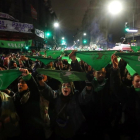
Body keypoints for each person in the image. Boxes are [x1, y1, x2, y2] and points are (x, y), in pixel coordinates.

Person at [9, 68, 45, 140]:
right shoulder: (15, 96)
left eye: (23, 82)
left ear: (28, 85)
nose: (20, 84)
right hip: (18, 130)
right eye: (19, 82)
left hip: (31, 131)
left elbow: (34, 88)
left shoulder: (32, 96)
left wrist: (28, 77)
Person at [111, 54, 140, 140]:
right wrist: (116, 69)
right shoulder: (128, 92)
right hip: (130, 131)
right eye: (137, 81)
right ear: (132, 83)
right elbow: (116, 86)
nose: (139, 83)